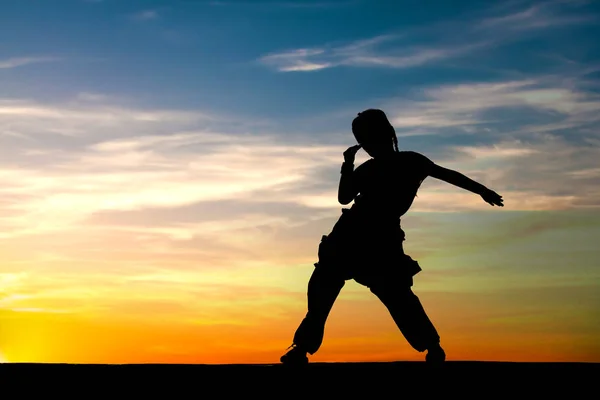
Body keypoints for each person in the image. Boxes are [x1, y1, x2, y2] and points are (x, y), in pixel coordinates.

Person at [280, 108, 504, 366]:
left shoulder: (411, 161)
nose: (365, 145)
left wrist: (482, 190)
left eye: (366, 138)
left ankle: (432, 346)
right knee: (322, 290)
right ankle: (302, 348)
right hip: (348, 235)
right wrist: (348, 165)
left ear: (385, 134)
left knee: (397, 295)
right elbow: (344, 197)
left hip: (381, 238)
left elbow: (449, 175)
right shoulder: (368, 169)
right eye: (361, 140)